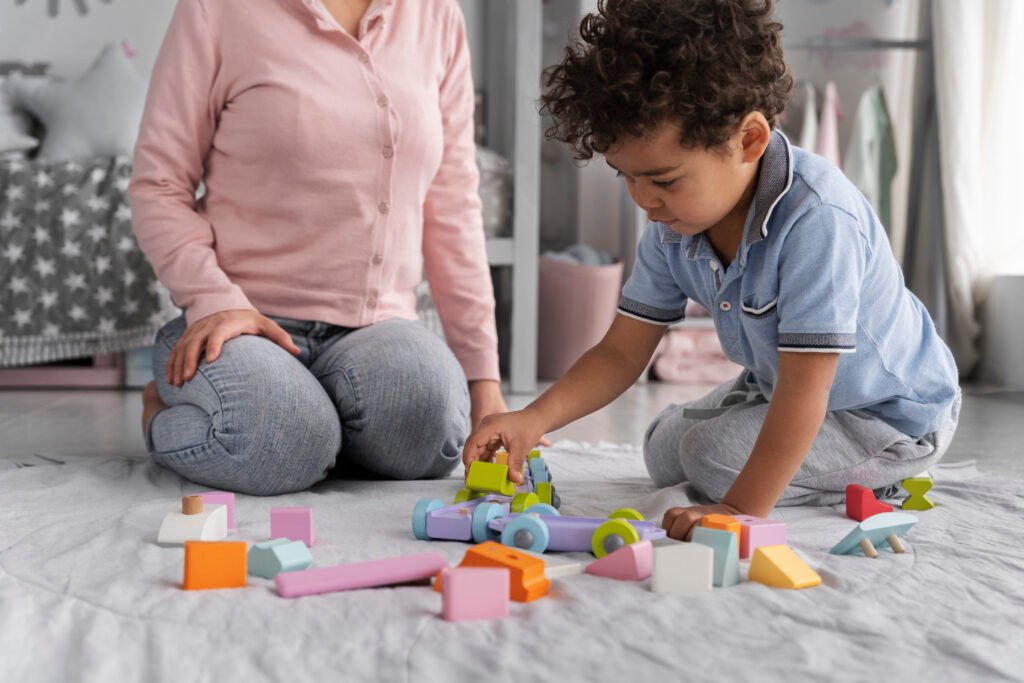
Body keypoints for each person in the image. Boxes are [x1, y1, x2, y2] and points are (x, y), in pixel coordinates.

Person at [462, 0, 960, 540]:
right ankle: (784, 464)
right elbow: (621, 351)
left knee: (707, 457)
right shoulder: (674, 225)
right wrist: (532, 419)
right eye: (627, 178)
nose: (644, 201)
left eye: (665, 180)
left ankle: (878, 474)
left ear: (749, 140)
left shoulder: (819, 220)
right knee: (661, 447)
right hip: (779, 389)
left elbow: (805, 391)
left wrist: (740, 511)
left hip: (886, 417)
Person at [130, 0, 511, 495]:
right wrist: (214, 299)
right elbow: (158, 184)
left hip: (375, 329)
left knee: (431, 436)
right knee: (279, 445)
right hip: (240, 323)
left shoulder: (435, 14)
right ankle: (161, 413)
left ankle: (316, 423)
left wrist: (485, 382)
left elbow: (454, 203)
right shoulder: (216, 9)